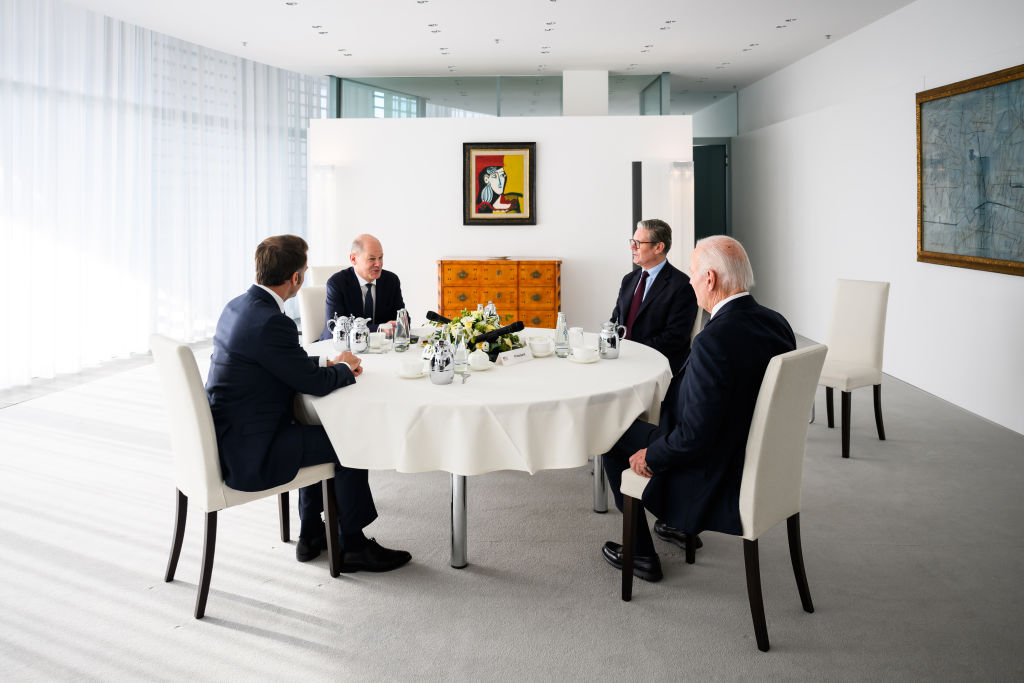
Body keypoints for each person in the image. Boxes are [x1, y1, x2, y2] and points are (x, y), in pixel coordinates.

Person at [206, 234, 411, 572]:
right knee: (350, 440)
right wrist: (345, 368)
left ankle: (312, 532)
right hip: (255, 455)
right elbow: (310, 382)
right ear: (297, 278)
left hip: (234, 436)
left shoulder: (238, 307)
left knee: (316, 427)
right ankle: (354, 545)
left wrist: (327, 365)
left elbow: (282, 365)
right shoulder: (274, 322)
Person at [599, 235, 796, 582]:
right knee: (642, 429)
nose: (689, 282)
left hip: (715, 469)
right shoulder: (776, 322)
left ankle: (641, 555)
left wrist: (653, 456)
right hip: (747, 450)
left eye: (692, 274)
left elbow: (694, 436)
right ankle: (676, 526)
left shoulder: (713, 339)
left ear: (710, 279)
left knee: (612, 439)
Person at [610, 219, 699, 375]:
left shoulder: (682, 285)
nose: (632, 247)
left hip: (656, 367)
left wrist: (634, 352)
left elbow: (675, 338)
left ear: (658, 247)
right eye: (632, 241)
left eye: (638, 243)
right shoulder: (628, 279)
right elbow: (615, 319)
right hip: (621, 362)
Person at [319, 234, 405, 336]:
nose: (378, 264)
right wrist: (379, 329)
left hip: (380, 347)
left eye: (380, 257)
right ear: (353, 259)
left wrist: (400, 324)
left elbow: (402, 317)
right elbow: (335, 327)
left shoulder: (391, 281)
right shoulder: (337, 283)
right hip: (340, 347)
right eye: (372, 259)